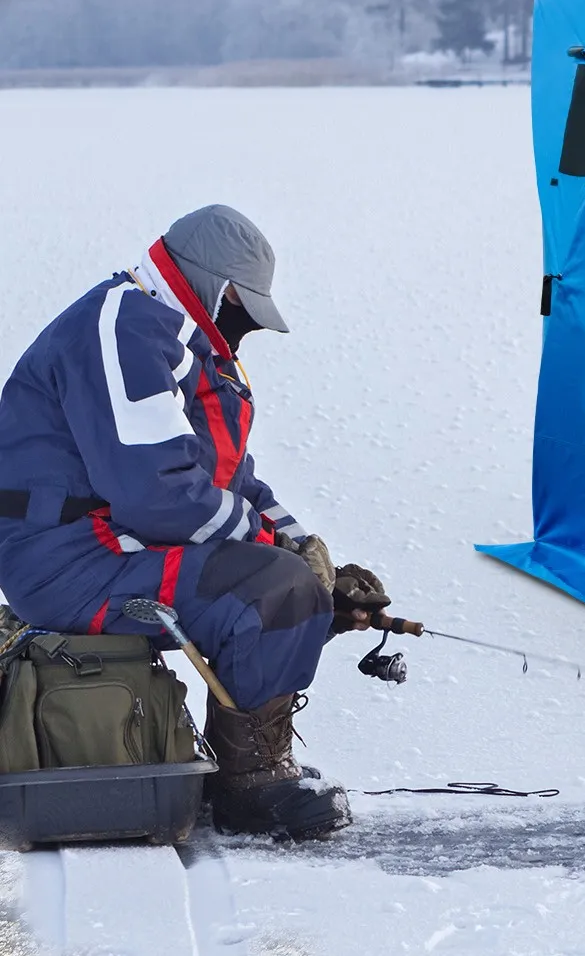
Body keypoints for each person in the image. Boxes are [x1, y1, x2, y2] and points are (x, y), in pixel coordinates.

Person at [0, 205, 389, 840]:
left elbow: (230, 483)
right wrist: (282, 564)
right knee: (271, 589)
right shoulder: (123, 328)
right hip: (66, 559)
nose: (246, 329)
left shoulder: (176, 341)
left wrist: (306, 552)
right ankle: (251, 786)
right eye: (246, 311)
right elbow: (158, 494)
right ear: (223, 289)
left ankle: (252, 762)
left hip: (106, 549)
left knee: (286, 584)